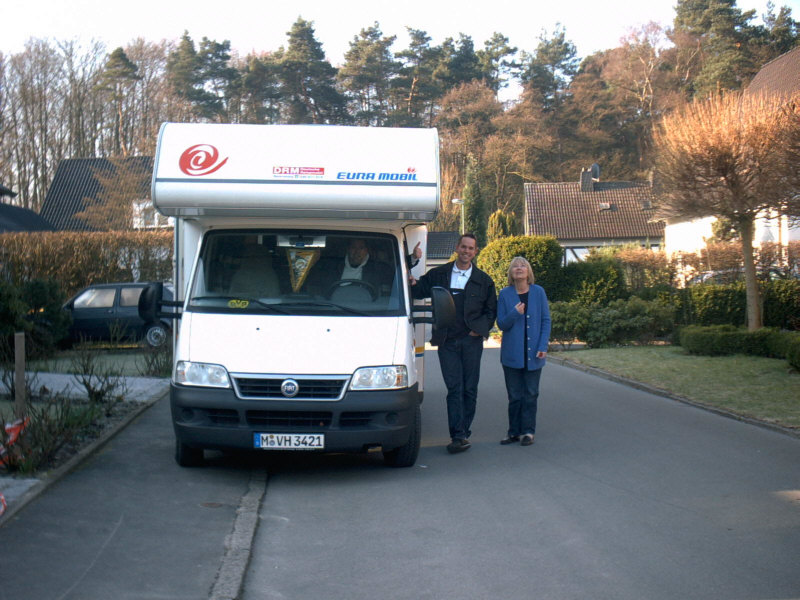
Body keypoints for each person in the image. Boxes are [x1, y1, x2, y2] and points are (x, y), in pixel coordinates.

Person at [411, 233, 497, 454]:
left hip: (471, 342)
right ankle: (458, 435)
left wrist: (478, 331)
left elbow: (491, 312)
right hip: (447, 341)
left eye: (471, 248)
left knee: (469, 389)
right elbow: (416, 289)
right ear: (457, 248)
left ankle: (464, 431)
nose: (466, 251)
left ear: (475, 252)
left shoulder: (484, 281)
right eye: (463, 247)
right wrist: (412, 261)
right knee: (454, 389)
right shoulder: (439, 274)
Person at [496, 256, 551, 447]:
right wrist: (515, 313)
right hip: (512, 354)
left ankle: (528, 431)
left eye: (523, 266)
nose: (519, 268)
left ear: (528, 272)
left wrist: (543, 346)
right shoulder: (505, 294)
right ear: (511, 273)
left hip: (534, 353)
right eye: (515, 266)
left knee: (531, 394)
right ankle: (513, 432)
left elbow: (545, 320)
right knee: (515, 396)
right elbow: (501, 324)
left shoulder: (538, 292)